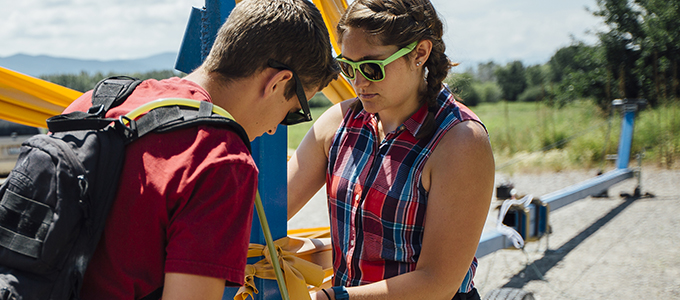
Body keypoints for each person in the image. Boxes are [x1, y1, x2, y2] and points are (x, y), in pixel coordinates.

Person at [60, 0, 340, 299]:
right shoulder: (222, 159)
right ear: (278, 83)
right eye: (293, 112)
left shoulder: (97, 101)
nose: (274, 129)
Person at [286, 0, 494, 299]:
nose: (358, 82)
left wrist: (332, 298)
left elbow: (437, 283)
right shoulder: (338, 123)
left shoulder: (460, 141)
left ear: (419, 53)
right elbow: (269, 211)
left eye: (372, 67)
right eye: (348, 67)